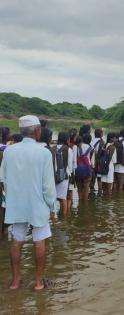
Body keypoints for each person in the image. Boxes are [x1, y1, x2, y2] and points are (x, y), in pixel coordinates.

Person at [1, 115, 56, 290]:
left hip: (16, 204)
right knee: (39, 240)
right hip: (37, 204)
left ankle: (15, 282)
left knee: (17, 240)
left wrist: (10, 199)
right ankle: (39, 282)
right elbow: (48, 186)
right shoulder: (44, 152)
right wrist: (53, 207)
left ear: (21, 131)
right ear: (37, 131)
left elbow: (3, 178)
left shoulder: (9, 151)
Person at [54, 132, 72, 216]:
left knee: (53, 199)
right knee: (63, 198)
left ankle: (53, 218)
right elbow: (70, 166)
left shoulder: (52, 148)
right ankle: (64, 218)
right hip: (64, 177)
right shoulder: (68, 149)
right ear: (66, 140)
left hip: (53, 177)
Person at [75, 134, 93, 201]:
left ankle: (80, 200)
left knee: (79, 188)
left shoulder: (77, 147)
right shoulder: (90, 148)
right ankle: (85, 203)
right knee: (86, 187)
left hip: (78, 170)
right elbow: (92, 163)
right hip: (87, 171)